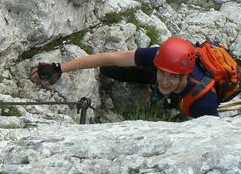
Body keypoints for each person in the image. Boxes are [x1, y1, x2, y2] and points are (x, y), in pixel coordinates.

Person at [30, 37, 219, 118]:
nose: (165, 80)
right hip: (170, 81)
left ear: (185, 75)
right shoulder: (157, 56)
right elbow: (109, 57)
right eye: (162, 73)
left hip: (192, 102)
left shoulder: (204, 102)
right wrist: (59, 68)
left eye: (173, 77)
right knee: (109, 69)